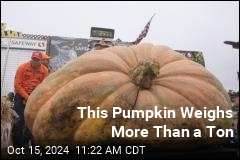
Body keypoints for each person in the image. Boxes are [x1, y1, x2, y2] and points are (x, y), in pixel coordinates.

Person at [12, 51, 48, 148]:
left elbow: (44, 86)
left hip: (35, 97)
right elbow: (17, 85)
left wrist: (35, 98)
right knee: (19, 121)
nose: (35, 61)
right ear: (31, 59)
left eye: (37, 60)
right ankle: (17, 147)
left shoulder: (44, 70)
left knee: (33, 121)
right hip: (21, 96)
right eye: (34, 59)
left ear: (40, 60)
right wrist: (27, 97)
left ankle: (34, 146)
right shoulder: (22, 68)